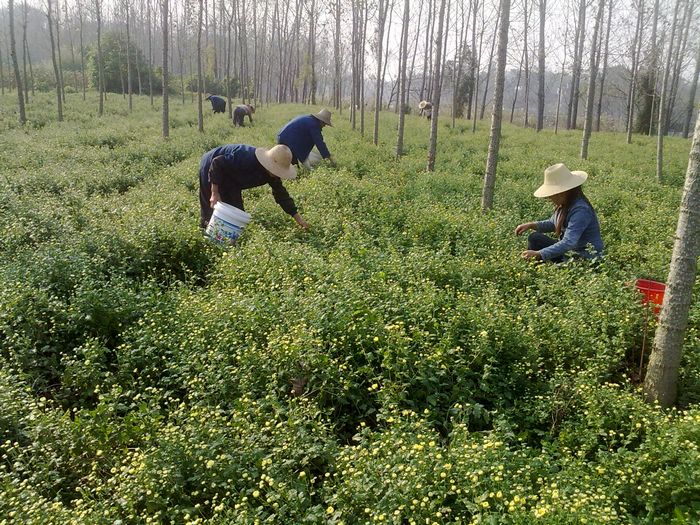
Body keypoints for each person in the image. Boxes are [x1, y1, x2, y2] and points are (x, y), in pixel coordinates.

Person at [198, 143, 309, 231]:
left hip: (232, 179)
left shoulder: (272, 175)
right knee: (211, 209)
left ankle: (226, 243)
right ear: (271, 164)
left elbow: (281, 195)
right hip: (211, 166)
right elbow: (217, 163)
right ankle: (206, 235)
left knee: (236, 214)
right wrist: (214, 192)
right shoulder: (247, 157)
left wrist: (299, 220)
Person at [515, 163, 604, 263]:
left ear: (562, 192)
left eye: (551, 194)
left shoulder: (581, 210)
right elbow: (553, 223)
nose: (549, 198)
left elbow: (568, 242)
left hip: (583, 258)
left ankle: (537, 267)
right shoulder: (566, 204)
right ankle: (536, 266)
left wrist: (540, 254)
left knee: (538, 247)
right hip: (571, 252)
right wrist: (532, 225)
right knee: (535, 238)